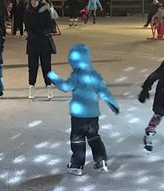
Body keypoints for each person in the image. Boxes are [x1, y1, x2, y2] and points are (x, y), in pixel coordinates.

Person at [46, 43, 120, 174]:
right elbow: (104, 91)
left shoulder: (77, 75)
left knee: (77, 139)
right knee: (94, 137)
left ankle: (76, 166)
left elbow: (65, 87)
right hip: (93, 115)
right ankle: (101, 161)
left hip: (79, 116)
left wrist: (53, 77)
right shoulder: (95, 74)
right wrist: (113, 104)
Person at [24, 0, 56, 101]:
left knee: (46, 66)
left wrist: (43, 32)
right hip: (33, 43)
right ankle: (31, 86)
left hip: (44, 42)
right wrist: (31, 33)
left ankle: (48, 87)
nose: (33, 2)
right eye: (31, 0)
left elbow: (51, 26)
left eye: (35, 0)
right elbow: (27, 26)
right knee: (32, 66)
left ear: (38, 1)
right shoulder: (28, 12)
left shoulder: (45, 11)